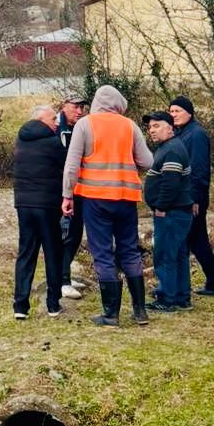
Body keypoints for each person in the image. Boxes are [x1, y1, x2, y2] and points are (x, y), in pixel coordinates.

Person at [61, 85, 153, 327]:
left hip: (95, 198)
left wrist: (67, 195)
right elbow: (147, 161)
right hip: (126, 197)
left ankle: (111, 314)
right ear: (119, 104)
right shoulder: (129, 125)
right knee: (130, 250)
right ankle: (140, 311)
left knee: (102, 253)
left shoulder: (85, 124)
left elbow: (71, 166)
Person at [11, 105, 66, 320]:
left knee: (26, 252)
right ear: (42, 120)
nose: (56, 122)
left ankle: (20, 306)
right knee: (53, 252)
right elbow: (66, 165)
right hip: (47, 204)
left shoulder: (21, 140)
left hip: (23, 204)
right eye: (53, 119)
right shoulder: (53, 142)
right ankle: (53, 304)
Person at [168, 95, 214, 296]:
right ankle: (213, 283)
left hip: (193, 198)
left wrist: (195, 198)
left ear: (189, 113)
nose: (174, 115)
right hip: (186, 196)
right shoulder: (181, 133)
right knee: (196, 240)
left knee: (191, 239)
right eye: (171, 111)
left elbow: (199, 169)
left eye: (178, 111)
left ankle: (180, 286)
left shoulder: (196, 134)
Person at [143, 112, 195, 312]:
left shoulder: (172, 150)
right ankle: (181, 297)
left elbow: (171, 184)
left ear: (169, 128)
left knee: (165, 255)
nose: (152, 130)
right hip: (178, 211)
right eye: (150, 127)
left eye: (156, 126)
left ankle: (167, 299)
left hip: (171, 213)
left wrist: (161, 207)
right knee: (178, 254)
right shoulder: (169, 147)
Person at [56, 97, 88, 299]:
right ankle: (62, 280)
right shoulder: (56, 128)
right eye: (75, 107)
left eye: (82, 107)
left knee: (76, 234)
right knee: (66, 234)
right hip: (63, 192)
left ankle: (65, 273)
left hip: (79, 189)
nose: (79, 111)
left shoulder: (79, 128)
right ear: (64, 107)